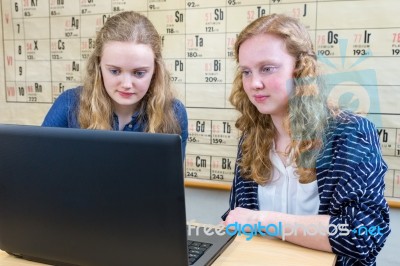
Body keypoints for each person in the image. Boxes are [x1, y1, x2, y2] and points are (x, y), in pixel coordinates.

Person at [222, 13, 390, 266]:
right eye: (246, 71)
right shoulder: (252, 136)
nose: (254, 83)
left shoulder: (351, 132)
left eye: (267, 69)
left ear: (300, 70)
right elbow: (238, 218)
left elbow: (364, 235)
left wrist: (262, 221)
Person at [42, 11, 188, 156]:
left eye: (139, 73)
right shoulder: (69, 104)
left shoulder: (174, 112)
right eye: (114, 71)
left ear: (155, 70)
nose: (126, 84)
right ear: (99, 66)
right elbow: (40, 164)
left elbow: (170, 177)